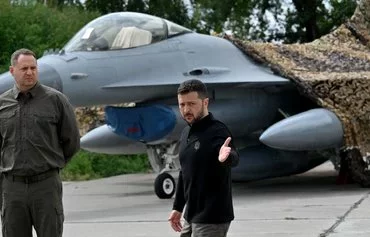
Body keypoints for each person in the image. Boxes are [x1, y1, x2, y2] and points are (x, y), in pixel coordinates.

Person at [0, 48, 80, 237]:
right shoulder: (2, 104)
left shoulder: (55, 101)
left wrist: (51, 165)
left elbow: (72, 142)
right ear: (12, 71)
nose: (29, 72)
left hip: (45, 186)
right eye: (24, 68)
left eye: (33, 68)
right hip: (12, 188)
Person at [168, 79, 239, 237]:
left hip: (212, 216)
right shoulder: (186, 133)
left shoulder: (218, 131)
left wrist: (225, 158)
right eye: (182, 104)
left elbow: (233, 156)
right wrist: (178, 207)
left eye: (192, 104)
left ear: (205, 102)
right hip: (191, 214)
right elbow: (184, 173)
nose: (186, 109)